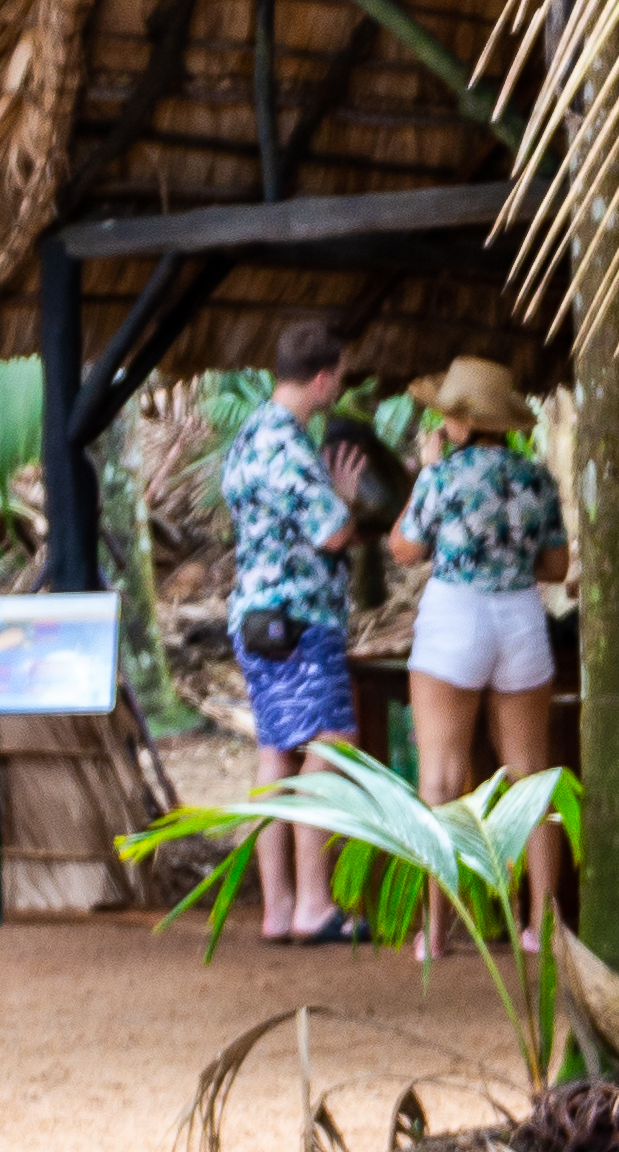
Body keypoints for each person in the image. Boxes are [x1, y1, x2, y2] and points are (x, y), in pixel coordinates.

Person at [390, 354, 569, 956]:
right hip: (519, 619)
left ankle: (437, 931)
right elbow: (556, 566)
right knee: (531, 780)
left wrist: (426, 473)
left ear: (462, 421)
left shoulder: (441, 477)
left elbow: (406, 550)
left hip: (454, 619)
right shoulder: (535, 477)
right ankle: (543, 925)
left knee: (439, 779)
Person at [217, 313, 377, 945]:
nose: (337, 390)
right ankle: (313, 902)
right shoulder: (285, 443)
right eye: (336, 379)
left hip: (256, 615)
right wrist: (344, 496)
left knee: (277, 748)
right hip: (297, 618)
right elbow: (332, 532)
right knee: (331, 739)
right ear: (320, 378)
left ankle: (279, 907)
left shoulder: (248, 436)